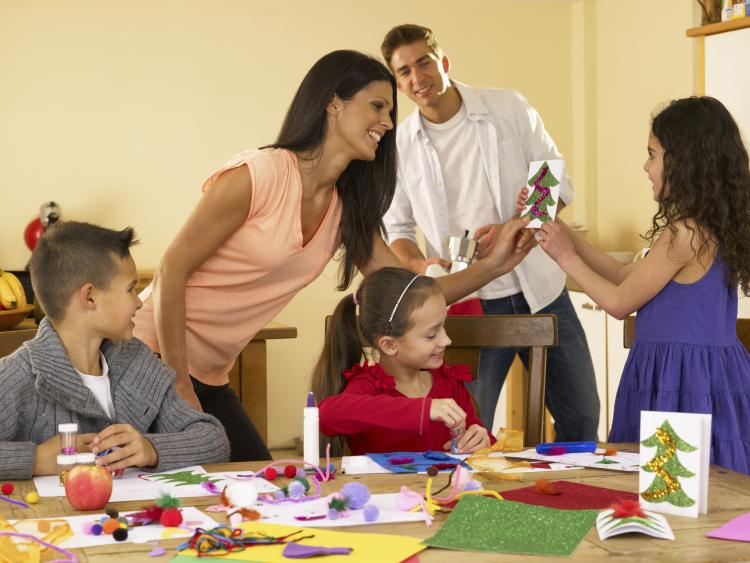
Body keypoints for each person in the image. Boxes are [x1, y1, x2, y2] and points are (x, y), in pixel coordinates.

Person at [133, 50, 534, 462]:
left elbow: (411, 295)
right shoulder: (261, 175)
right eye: (377, 106)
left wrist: (496, 265)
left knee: (258, 484)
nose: (388, 122)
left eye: (390, 111)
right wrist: (179, 384)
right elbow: (171, 270)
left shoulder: (345, 209)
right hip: (148, 356)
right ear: (333, 102)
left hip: (209, 375)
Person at [379, 24, 599, 440]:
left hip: (543, 293)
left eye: (423, 62)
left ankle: (572, 500)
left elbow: (551, 173)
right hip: (467, 305)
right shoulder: (398, 145)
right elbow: (398, 227)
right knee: (464, 428)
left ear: (443, 61)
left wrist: (518, 229)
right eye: (404, 71)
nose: (416, 77)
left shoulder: (507, 107)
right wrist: (418, 263)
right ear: (398, 84)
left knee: (582, 417)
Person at [536, 97, 750, 475]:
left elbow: (619, 302)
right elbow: (625, 278)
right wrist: (564, 234)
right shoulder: (709, 228)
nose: (646, 166)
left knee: (670, 483)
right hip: (704, 376)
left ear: (682, 162)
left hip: (679, 383)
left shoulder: (684, 234)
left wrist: (565, 258)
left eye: (652, 155)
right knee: (708, 481)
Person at [0, 221, 229, 480]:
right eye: (131, 289)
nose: (139, 302)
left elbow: (214, 441)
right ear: (90, 297)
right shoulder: (16, 376)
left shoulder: (138, 362)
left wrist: (150, 449)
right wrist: (36, 459)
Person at [313, 267, 493, 455]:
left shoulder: (450, 383)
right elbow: (327, 415)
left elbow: (480, 440)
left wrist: (482, 439)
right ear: (389, 345)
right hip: (381, 485)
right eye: (431, 335)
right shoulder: (369, 387)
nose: (446, 340)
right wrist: (424, 409)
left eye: (443, 327)